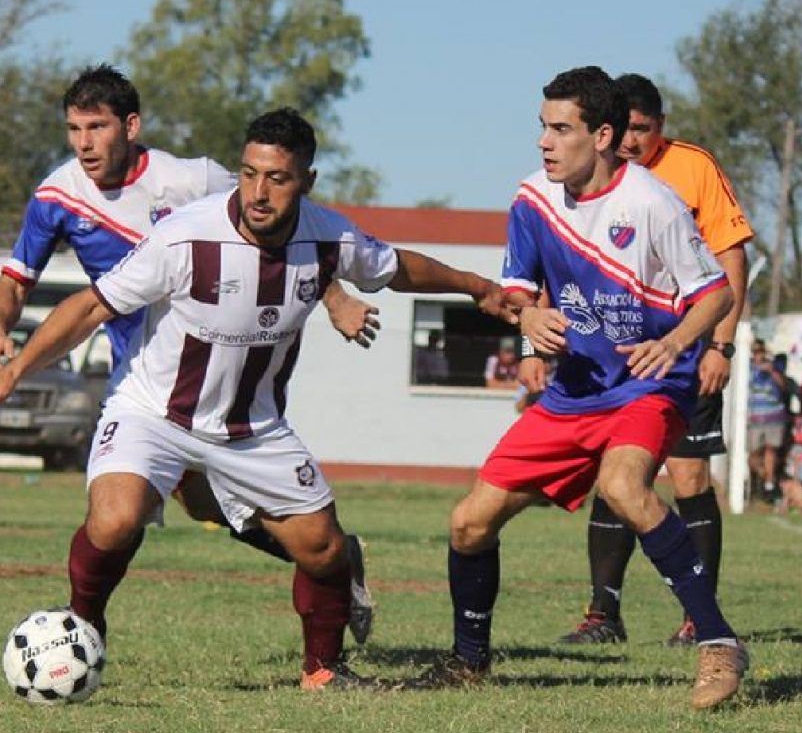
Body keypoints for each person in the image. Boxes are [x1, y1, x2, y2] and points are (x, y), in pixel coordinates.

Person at [0, 108, 514, 690]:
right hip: (153, 412)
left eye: (277, 178)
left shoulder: (328, 236)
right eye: (249, 174)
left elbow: (396, 269)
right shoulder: (184, 236)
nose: (259, 192)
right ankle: (82, 635)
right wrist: (17, 368)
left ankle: (323, 672)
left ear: (307, 182)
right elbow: (92, 306)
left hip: (253, 427)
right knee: (116, 519)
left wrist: (480, 288)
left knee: (324, 549)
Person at [0, 64, 381, 643]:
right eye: (73, 129)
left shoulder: (194, 179)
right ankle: (83, 633)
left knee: (212, 507)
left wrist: (333, 296)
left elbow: (279, 225)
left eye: (96, 127)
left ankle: (334, 562)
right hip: (144, 381)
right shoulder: (56, 196)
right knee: (156, 512)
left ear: (131, 126)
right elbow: (16, 277)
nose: (83, 144)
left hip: (216, 379)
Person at [421, 67, 746, 710]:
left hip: (645, 386)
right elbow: (515, 289)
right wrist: (526, 320)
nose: (545, 141)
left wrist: (677, 344)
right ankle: (469, 663)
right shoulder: (531, 201)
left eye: (561, 128)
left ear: (602, 136)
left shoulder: (653, 203)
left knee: (624, 487)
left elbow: (717, 292)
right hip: (572, 395)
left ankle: (717, 640)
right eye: (542, 126)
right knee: (467, 523)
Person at [540, 73, 753, 647]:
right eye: (624, 129)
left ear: (660, 127)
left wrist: (719, 345)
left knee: (687, 476)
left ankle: (696, 614)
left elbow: (731, 264)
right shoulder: (585, 176)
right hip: (605, 363)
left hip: (680, 356)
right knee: (615, 478)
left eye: (643, 129)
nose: (631, 141)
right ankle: (602, 615)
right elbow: (554, 258)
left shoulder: (691, 170)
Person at [746, 340, 790, 499]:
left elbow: (784, 387)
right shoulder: (746, 368)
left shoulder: (774, 367)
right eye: (756, 352)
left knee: (771, 449)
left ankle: (769, 483)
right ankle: (762, 476)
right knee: (754, 454)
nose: (759, 355)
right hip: (755, 416)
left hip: (774, 415)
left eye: (761, 352)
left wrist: (772, 371)